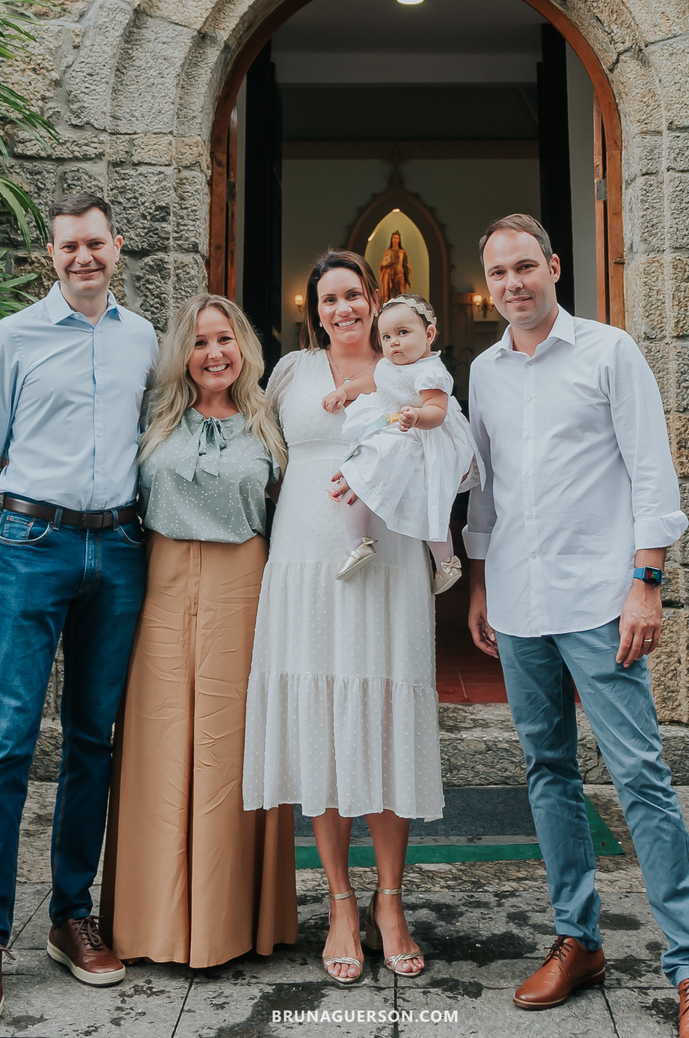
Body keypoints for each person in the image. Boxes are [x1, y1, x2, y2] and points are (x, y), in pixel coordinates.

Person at [465, 214, 689, 1038]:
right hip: (517, 598)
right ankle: (577, 939)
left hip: (600, 601)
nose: (512, 284)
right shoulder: (482, 371)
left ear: (552, 267)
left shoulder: (610, 352)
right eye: (498, 274)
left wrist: (646, 582)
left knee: (641, 777)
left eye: (523, 268)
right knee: (547, 772)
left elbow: (652, 472)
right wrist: (477, 584)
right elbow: (486, 490)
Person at [0, 192, 158, 1029]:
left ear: (119, 245)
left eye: (96, 244)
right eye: (69, 246)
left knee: (92, 739)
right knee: (6, 742)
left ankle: (71, 916)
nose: (84, 258)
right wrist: (0, 558)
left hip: (116, 550)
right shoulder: (14, 338)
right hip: (33, 543)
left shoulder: (144, 337)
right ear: (51, 253)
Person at [242, 251, 442, 985]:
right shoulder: (291, 373)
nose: (343, 309)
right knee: (324, 721)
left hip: (386, 556)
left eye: (354, 295)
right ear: (314, 308)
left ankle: (392, 902)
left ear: (374, 297)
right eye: (329, 299)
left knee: (386, 718)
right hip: (303, 558)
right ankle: (341, 903)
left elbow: (444, 446)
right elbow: (250, 448)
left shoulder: (406, 367)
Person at [100, 294, 299, 966]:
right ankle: (146, 926)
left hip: (243, 586)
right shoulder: (152, 418)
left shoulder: (273, 422)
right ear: (182, 354)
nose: (214, 354)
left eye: (225, 340)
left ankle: (228, 924)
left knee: (229, 750)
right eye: (200, 342)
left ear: (243, 346)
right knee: (156, 748)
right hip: (158, 585)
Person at [325, 292, 480, 594]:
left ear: (429, 335)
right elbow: (374, 381)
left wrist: (417, 416)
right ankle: (359, 543)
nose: (393, 342)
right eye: (385, 336)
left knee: (428, 500)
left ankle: (446, 562)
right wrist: (346, 391)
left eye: (403, 333)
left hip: (423, 433)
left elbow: (437, 410)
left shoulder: (430, 372)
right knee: (358, 475)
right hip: (395, 427)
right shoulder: (388, 365)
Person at [378, 231, 411, 304]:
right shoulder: (388, 251)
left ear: (399, 240)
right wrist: (387, 263)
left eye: (397, 238)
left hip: (399, 275)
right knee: (389, 295)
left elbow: (406, 265)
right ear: (391, 239)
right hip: (389, 275)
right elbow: (382, 264)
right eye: (394, 238)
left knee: (399, 295)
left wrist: (407, 278)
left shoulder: (402, 252)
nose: (395, 240)